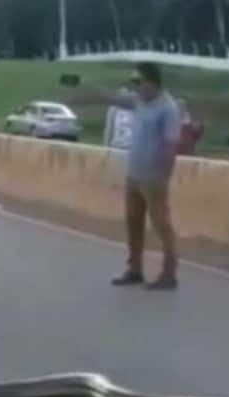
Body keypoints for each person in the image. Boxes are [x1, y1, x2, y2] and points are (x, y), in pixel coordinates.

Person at [69, 62, 183, 289]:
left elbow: (171, 145)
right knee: (133, 222)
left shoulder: (168, 108)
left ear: (152, 82)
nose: (135, 86)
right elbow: (111, 98)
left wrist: (163, 176)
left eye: (138, 81)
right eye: (133, 82)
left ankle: (169, 273)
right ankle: (135, 269)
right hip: (134, 175)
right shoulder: (138, 101)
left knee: (162, 225)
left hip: (154, 178)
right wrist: (84, 84)